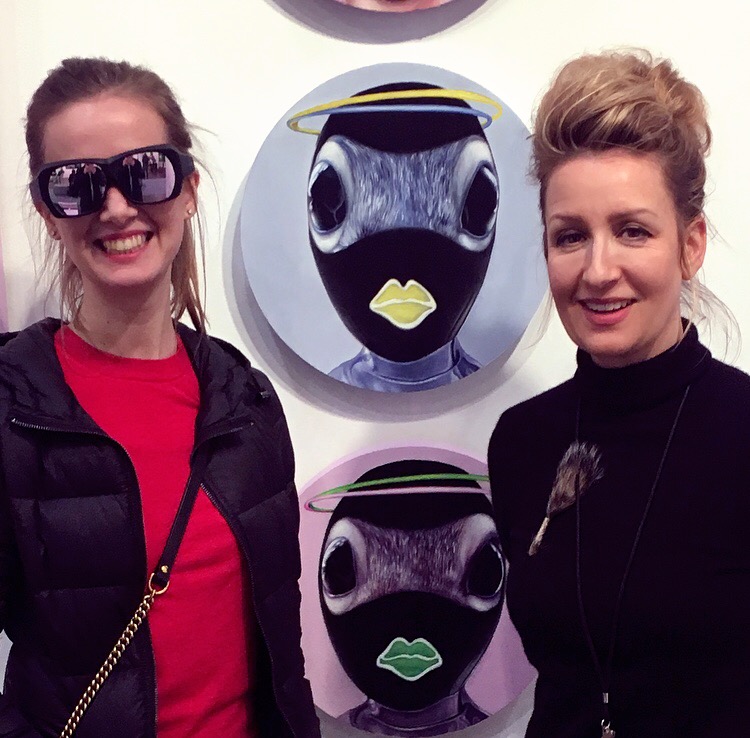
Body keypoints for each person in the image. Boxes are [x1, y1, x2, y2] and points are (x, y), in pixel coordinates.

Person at [0, 57, 320, 738]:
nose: (117, 207)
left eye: (145, 172)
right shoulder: (12, 407)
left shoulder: (246, 402)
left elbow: (280, 656)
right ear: (48, 213)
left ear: (188, 189)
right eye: (77, 185)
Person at [488, 50, 750, 737]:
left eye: (632, 231)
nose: (598, 270)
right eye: (571, 236)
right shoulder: (520, 442)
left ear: (691, 245)